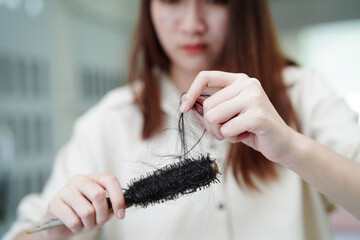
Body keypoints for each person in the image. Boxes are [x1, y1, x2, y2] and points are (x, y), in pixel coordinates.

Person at [4, 0, 360, 239]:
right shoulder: (107, 121)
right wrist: (53, 231)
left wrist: (294, 147)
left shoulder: (302, 92)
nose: (192, 24)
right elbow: (24, 231)